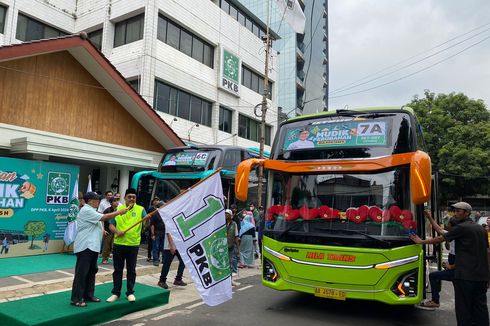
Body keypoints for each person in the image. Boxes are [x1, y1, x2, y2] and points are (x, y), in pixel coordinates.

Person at [410, 202, 489, 325]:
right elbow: (487, 253)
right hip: (481, 277)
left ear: (467, 213)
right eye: (455, 211)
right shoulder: (481, 229)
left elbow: (440, 238)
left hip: (465, 277)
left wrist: (421, 242)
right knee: (480, 309)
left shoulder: (462, 228)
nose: (456, 213)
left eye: (459, 211)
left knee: (463, 309)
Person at [70, 192, 127, 307]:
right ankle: (76, 298)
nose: (99, 203)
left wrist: (102, 230)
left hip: (92, 247)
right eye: (97, 201)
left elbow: (100, 218)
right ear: (91, 201)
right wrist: (119, 212)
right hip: (85, 246)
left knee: (91, 272)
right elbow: (104, 217)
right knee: (82, 273)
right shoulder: (86, 210)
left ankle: (88, 295)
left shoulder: (92, 211)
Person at [107, 188, 146, 303]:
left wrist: (147, 220)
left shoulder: (141, 209)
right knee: (117, 270)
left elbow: (146, 224)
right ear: (124, 198)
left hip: (133, 245)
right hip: (119, 244)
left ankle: (130, 292)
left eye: (133, 197)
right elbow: (111, 226)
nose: (132, 199)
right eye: (129, 197)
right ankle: (116, 293)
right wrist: (117, 232)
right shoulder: (118, 209)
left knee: (131, 270)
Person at [417, 211, 457, 310]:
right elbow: (439, 229)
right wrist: (430, 217)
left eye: (448, 225)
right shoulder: (453, 234)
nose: (446, 227)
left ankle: (435, 301)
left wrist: (421, 242)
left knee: (433, 276)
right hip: (453, 268)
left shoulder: (457, 236)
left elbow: (439, 239)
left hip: (457, 270)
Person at [101, 196, 120, 264]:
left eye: (117, 201)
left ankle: (114, 258)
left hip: (116, 229)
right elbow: (102, 220)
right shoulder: (108, 210)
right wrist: (103, 229)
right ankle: (105, 258)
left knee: (115, 245)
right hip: (108, 230)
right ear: (111, 203)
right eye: (115, 201)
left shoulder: (119, 210)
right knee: (107, 245)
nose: (117, 202)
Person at [150, 199, 166, 266]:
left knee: (162, 247)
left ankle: (162, 260)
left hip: (164, 233)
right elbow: (152, 224)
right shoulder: (155, 213)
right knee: (155, 247)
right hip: (157, 233)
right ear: (160, 206)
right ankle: (155, 260)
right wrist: (152, 234)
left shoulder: (165, 214)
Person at [225, 209, 240, 275]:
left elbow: (236, 236)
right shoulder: (222, 223)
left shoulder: (234, 224)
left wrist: (238, 247)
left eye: (227, 214)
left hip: (231, 245)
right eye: (225, 213)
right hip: (223, 246)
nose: (225, 215)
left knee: (232, 260)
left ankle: (232, 273)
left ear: (230, 215)